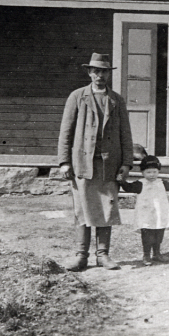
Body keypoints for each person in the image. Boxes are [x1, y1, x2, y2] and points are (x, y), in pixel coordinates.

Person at [57, 53, 133, 271]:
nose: (100, 75)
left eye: (104, 71)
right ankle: (81, 256)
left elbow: (126, 134)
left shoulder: (117, 100)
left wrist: (126, 163)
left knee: (106, 210)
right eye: (96, 71)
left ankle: (103, 255)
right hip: (83, 164)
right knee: (83, 209)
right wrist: (64, 161)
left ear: (109, 74)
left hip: (109, 165)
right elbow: (66, 132)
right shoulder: (77, 97)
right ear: (89, 73)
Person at [118, 155, 169, 266]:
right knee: (147, 235)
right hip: (146, 214)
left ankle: (156, 253)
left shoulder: (161, 183)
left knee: (159, 233)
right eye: (148, 172)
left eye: (154, 172)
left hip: (159, 213)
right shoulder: (140, 183)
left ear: (158, 171)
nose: (152, 175)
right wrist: (122, 182)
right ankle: (146, 255)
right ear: (142, 173)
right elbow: (129, 188)